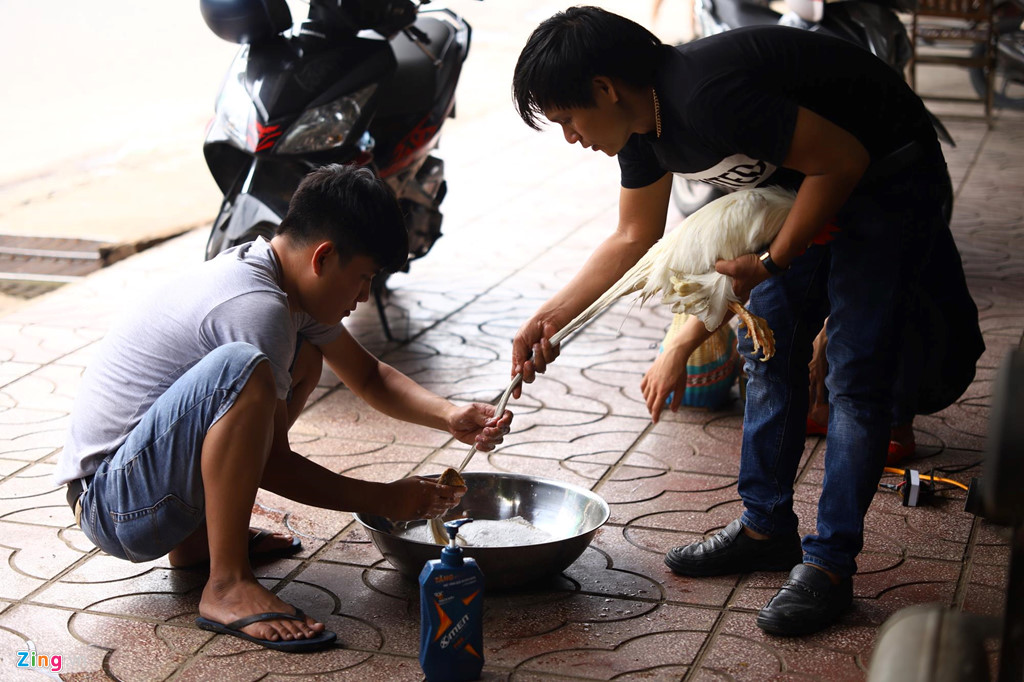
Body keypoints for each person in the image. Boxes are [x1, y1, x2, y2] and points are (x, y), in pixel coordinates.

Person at [510, 7, 979, 636]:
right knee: (770, 351)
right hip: (805, 187)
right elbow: (632, 236)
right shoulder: (641, 129)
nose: (571, 137)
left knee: (855, 377)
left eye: (568, 119)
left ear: (605, 88)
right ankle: (765, 527)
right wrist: (548, 319)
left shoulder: (705, 94)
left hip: (887, 177)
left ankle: (830, 565)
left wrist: (771, 261)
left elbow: (843, 160)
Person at [54, 164, 513, 653]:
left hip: (141, 487)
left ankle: (196, 543)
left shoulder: (277, 275)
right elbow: (273, 462)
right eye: (363, 278)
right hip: (115, 506)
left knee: (306, 355)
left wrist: (450, 415)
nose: (363, 296)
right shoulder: (257, 307)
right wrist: (387, 500)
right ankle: (227, 584)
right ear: (324, 256)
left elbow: (368, 376)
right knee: (244, 371)